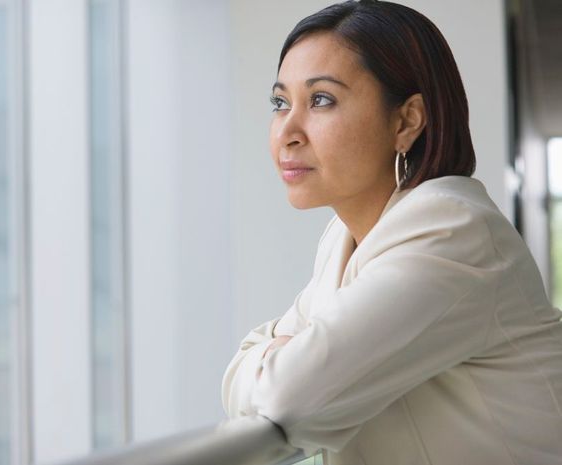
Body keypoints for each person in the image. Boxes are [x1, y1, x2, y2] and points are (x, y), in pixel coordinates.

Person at [220, 1, 562, 464]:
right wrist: (281, 358)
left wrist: (284, 354)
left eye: (321, 99)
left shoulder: (453, 229)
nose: (288, 132)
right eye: (281, 102)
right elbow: (253, 380)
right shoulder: (342, 239)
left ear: (406, 120)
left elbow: (287, 401)